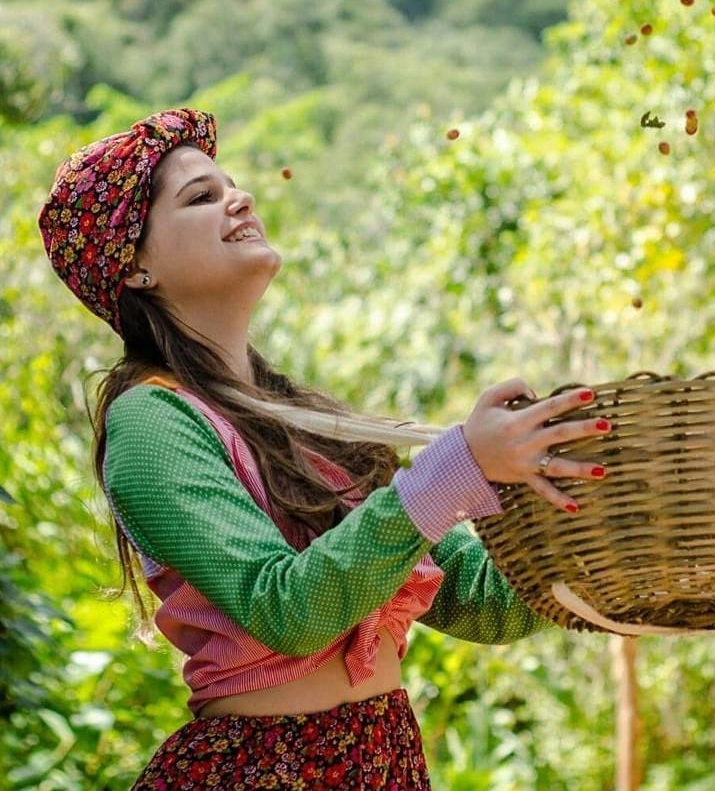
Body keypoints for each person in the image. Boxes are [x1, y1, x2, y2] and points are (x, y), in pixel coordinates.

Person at [38, 108, 609, 790]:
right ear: (135, 267)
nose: (239, 199)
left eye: (231, 185)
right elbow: (286, 610)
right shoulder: (152, 423)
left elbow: (476, 600)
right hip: (264, 772)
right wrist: (456, 470)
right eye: (202, 196)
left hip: (381, 760)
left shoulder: (303, 423)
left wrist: (608, 555)